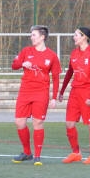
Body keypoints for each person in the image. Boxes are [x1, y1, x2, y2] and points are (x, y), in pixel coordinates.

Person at [11, 25, 61, 166]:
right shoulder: (26, 51)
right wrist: (22, 63)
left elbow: (56, 78)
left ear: (42, 37)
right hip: (25, 92)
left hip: (41, 93)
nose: (31, 37)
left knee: (37, 122)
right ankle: (27, 153)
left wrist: (54, 97)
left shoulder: (52, 56)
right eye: (31, 35)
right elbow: (14, 66)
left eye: (34, 35)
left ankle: (37, 156)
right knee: (19, 122)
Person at [58, 27, 90, 165]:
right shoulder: (74, 53)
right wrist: (62, 91)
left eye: (76, 35)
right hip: (75, 92)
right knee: (69, 123)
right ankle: (76, 153)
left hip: (88, 92)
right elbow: (69, 72)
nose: (74, 37)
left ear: (84, 37)